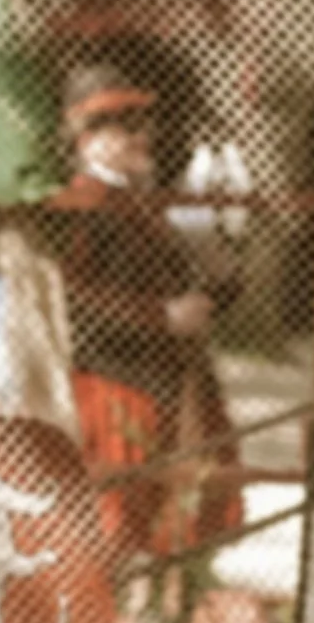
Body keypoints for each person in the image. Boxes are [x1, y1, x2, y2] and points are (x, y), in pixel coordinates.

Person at [45, 65, 241, 559]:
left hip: (167, 382)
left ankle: (161, 599)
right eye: (123, 125)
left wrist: (221, 281)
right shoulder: (81, 203)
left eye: (142, 123)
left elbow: (185, 291)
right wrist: (163, 317)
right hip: (117, 383)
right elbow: (74, 299)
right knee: (119, 522)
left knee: (179, 518)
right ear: (87, 140)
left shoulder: (144, 202)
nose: (141, 136)